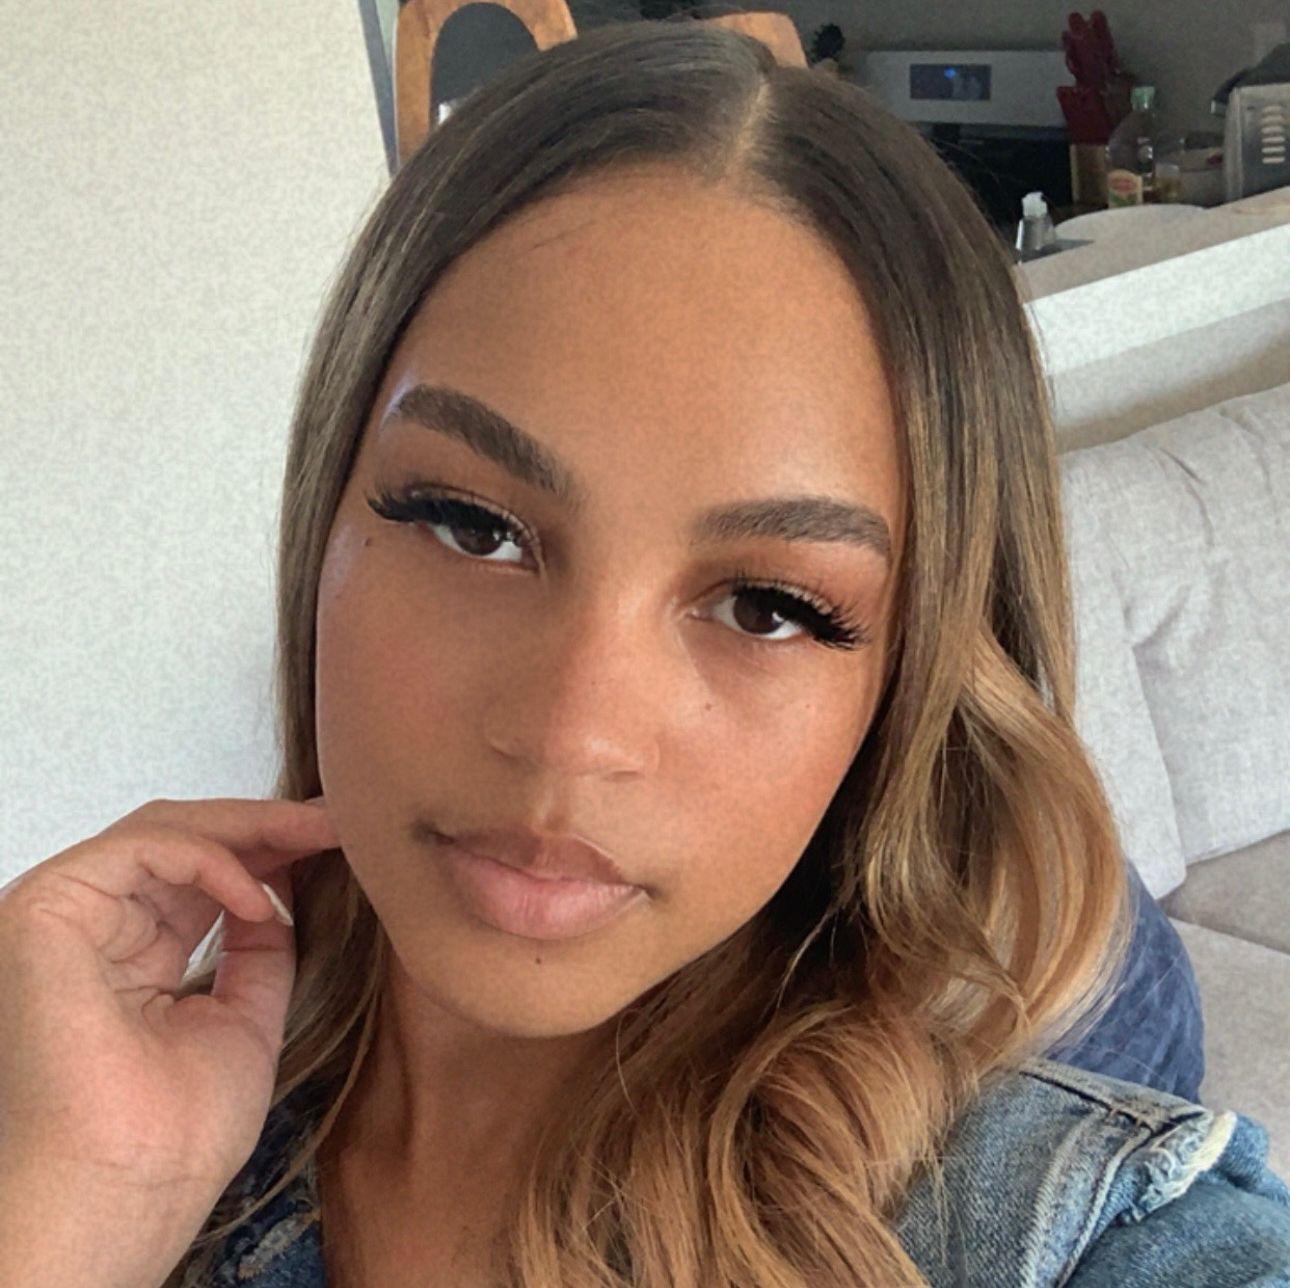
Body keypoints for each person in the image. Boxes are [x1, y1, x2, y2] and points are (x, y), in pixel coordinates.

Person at [3, 18, 1282, 1288]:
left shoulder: (1076, 1235)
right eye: (474, 526)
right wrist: (76, 1220)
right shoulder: (94, 1122)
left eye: (767, 607)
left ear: (901, 692)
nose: (573, 733)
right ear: (326, 520)